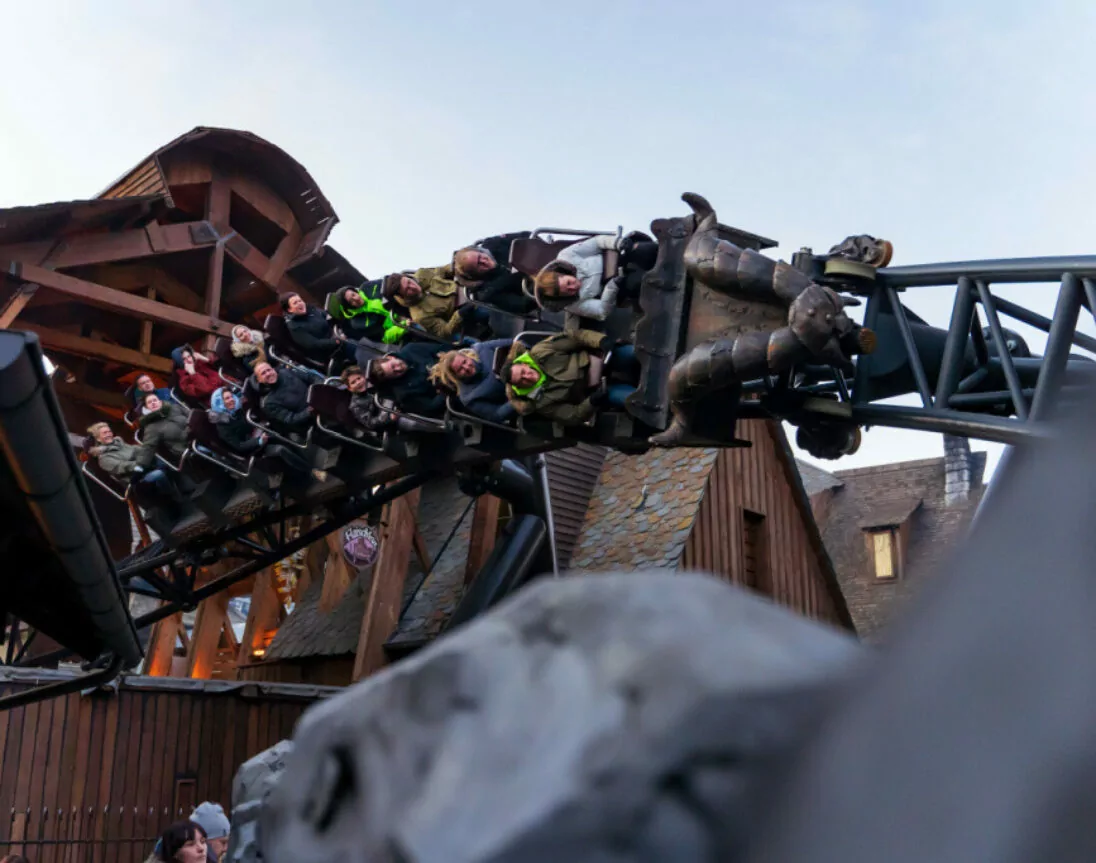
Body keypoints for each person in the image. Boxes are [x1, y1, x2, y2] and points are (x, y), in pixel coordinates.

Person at [502, 329, 636, 425]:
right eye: (522, 381)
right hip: (600, 390)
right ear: (519, 387)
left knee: (635, 353)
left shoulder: (540, 351)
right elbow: (573, 415)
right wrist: (591, 402)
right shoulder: (539, 402)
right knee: (633, 399)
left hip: (602, 359)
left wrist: (601, 341)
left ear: (524, 364)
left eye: (523, 372)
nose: (527, 377)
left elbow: (576, 337)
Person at [533, 232, 656, 328]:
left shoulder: (567, 256)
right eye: (568, 291)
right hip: (620, 284)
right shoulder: (572, 304)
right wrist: (612, 286)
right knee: (642, 282)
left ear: (562, 273)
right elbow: (601, 311)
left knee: (646, 250)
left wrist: (619, 243)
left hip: (621, 255)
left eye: (569, 282)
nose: (573, 287)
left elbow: (597, 242)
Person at [207, 387, 325, 481]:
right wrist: (258, 441)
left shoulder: (236, 411)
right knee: (280, 449)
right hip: (253, 449)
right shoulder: (222, 426)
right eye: (226, 399)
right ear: (219, 403)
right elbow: (239, 446)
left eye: (231, 396)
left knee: (282, 436)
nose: (231, 399)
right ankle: (310, 471)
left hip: (258, 436)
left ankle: (308, 465)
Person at [86, 422, 182, 502]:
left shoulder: (118, 442)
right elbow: (122, 467)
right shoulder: (104, 459)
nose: (108, 434)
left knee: (165, 460)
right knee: (158, 474)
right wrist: (139, 464)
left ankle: (182, 490)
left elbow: (134, 449)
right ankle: (172, 500)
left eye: (109, 431)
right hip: (134, 478)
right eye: (104, 433)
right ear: (98, 438)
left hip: (143, 466)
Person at [429, 338, 516, 423]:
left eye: (464, 362)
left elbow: (514, 342)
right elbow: (496, 414)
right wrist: (517, 402)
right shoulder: (468, 397)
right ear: (456, 376)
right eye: (460, 369)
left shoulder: (482, 348)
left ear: (467, 357)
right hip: (518, 397)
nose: (466, 367)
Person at [381, 270, 485, 341]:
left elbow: (445, 269)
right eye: (407, 290)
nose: (412, 286)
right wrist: (459, 315)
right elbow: (443, 331)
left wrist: (459, 265)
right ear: (403, 296)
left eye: (409, 282)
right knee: (486, 309)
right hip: (464, 309)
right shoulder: (419, 315)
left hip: (466, 287)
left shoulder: (422, 274)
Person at [452, 235, 536, 316]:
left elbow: (525, 235)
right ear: (476, 274)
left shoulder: (494, 244)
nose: (484, 261)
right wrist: (537, 286)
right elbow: (522, 305)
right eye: (479, 265)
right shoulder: (489, 292)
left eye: (480, 256)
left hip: (538, 256)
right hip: (539, 288)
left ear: (480, 251)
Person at [368, 341, 447, 417]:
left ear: (391, 357)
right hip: (449, 391)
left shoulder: (411, 349)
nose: (398, 368)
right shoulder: (404, 394)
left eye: (393, 365)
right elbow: (432, 407)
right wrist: (445, 390)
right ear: (391, 379)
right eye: (394, 373)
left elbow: (443, 348)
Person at [279, 292, 356, 366]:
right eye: (295, 303)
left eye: (300, 300)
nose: (300, 303)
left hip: (336, 334)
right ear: (289, 310)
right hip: (330, 351)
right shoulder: (294, 327)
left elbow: (327, 316)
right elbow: (314, 344)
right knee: (353, 344)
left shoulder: (311, 309)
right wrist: (336, 342)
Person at [332, 281, 407, 345]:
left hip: (405, 305)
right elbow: (385, 338)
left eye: (353, 294)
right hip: (401, 328)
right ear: (349, 306)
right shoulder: (359, 323)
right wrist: (404, 325)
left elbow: (388, 282)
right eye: (352, 301)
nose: (356, 299)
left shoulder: (368, 287)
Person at [251, 362, 314, 431]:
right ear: (259, 380)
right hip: (310, 419)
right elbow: (290, 419)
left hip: (318, 398)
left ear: (273, 370)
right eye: (263, 373)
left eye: (269, 370)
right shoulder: (269, 402)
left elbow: (310, 378)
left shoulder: (285, 372)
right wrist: (309, 411)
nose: (268, 374)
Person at [136, 393, 190, 467]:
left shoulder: (174, 407)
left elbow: (192, 415)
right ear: (147, 408)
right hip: (184, 447)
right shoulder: (151, 427)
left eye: (155, 400)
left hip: (197, 436)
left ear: (160, 402)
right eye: (149, 402)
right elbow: (149, 446)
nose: (153, 403)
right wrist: (140, 465)